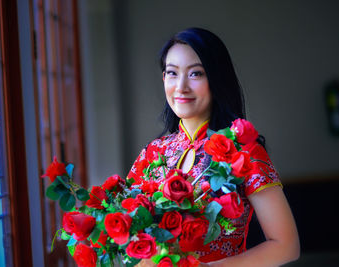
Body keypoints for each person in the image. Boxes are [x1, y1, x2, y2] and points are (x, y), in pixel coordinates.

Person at [127, 27, 300, 266]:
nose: (181, 87)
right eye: (172, 73)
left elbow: (286, 245)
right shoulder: (153, 153)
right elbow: (128, 234)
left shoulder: (243, 153)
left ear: (216, 78)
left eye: (196, 73)